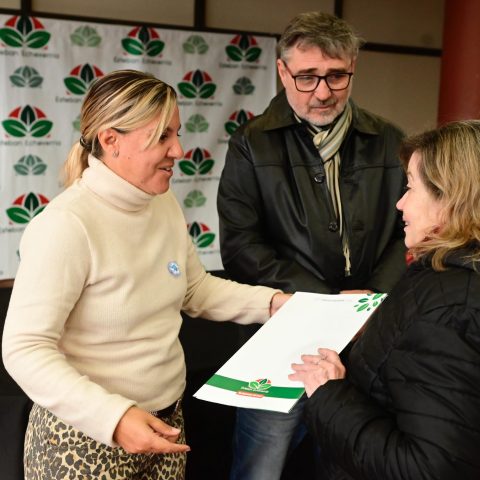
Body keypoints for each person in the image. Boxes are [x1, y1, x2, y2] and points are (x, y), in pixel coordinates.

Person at [1, 69, 290, 480]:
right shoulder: (66, 225)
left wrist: (275, 304)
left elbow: (194, 288)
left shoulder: (162, 203)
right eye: (162, 137)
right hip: (84, 439)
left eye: (177, 133)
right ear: (110, 140)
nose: (179, 150)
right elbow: (24, 348)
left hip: (165, 426)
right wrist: (115, 417)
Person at [217, 11, 406, 480]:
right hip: (283, 337)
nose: (322, 92)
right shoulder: (253, 143)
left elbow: (410, 231)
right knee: (261, 464)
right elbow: (240, 246)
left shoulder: (388, 140)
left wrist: (370, 299)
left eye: (336, 76)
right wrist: (329, 305)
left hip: (367, 334)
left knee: (348, 462)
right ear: (283, 71)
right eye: (306, 77)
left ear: (353, 67)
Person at [290, 120, 480, 479]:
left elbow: (424, 468)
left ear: (450, 197)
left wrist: (329, 393)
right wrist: (384, 322)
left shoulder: (450, 311)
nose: (400, 203)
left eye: (410, 188)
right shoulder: (450, 272)